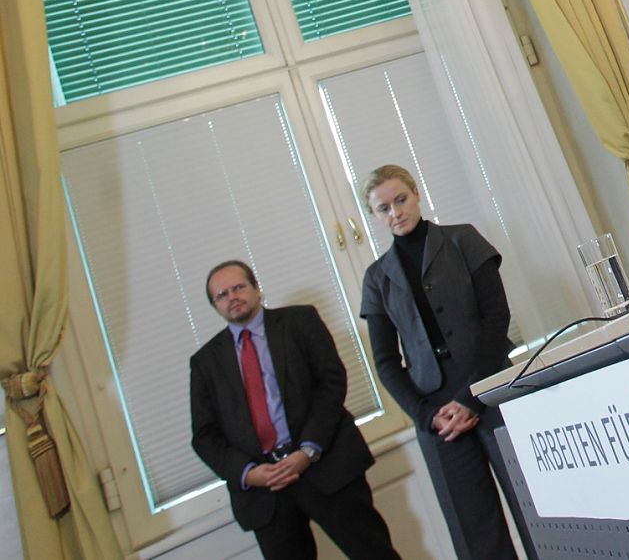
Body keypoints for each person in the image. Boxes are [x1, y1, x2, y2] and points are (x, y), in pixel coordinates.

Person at [358, 166, 528, 560]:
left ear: (416, 193)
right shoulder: (376, 278)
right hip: (436, 414)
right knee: (475, 534)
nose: (395, 213)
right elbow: (385, 362)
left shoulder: (463, 239)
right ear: (374, 216)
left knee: (535, 508)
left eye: (401, 200)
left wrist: (471, 397)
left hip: (490, 386)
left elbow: (496, 317)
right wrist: (426, 416)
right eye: (383, 208)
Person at [189, 260, 400, 560]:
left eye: (238, 287)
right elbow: (205, 436)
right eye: (222, 295)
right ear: (215, 305)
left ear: (256, 288)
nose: (232, 297)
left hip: (325, 466)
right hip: (266, 491)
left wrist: (308, 451)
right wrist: (248, 474)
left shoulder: (300, 321)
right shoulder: (205, 363)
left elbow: (331, 382)